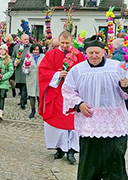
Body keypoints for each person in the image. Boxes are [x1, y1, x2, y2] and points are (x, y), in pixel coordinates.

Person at [62, 35, 128, 180]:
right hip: (90, 123)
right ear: (86, 53)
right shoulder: (77, 70)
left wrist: (125, 87)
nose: (94, 56)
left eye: (97, 52)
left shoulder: (116, 67)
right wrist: (79, 104)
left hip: (114, 123)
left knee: (115, 161)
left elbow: (127, 91)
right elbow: (68, 90)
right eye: (91, 53)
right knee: (90, 163)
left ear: (104, 52)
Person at [38, 31, 85, 164]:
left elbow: (84, 71)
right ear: (59, 41)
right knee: (57, 122)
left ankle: (71, 150)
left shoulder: (78, 55)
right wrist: (57, 74)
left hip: (73, 93)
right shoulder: (51, 54)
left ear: (71, 41)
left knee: (72, 122)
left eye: (67, 43)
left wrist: (73, 75)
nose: (65, 45)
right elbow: (42, 71)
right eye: (62, 43)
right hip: (57, 92)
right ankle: (59, 148)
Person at [23, 44, 44, 118]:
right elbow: (24, 66)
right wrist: (26, 69)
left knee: (40, 96)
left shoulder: (43, 57)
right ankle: (32, 110)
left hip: (40, 79)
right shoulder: (28, 57)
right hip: (31, 78)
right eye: (34, 50)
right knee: (32, 95)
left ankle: (41, 109)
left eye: (37, 50)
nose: (35, 51)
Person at [11, 34, 32, 109]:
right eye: (25, 39)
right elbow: (13, 56)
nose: (27, 41)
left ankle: (23, 101)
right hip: (19, 69)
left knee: (25, 85)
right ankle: (24, 99)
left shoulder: (31, 47)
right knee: (20, 84)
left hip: (27, 68)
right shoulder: (17, 47)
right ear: (21, 39)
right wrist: (14, 62)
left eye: (28, 39)